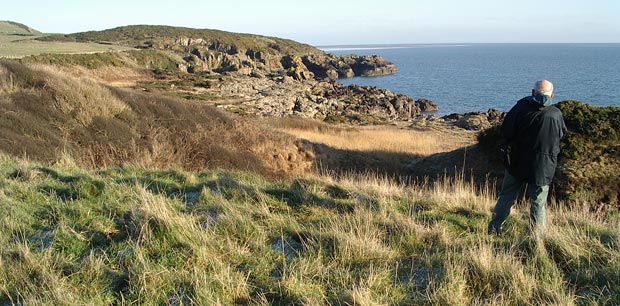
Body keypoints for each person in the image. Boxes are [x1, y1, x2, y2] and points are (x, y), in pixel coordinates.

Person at [488, 80, 567, 236]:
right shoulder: (556, 114)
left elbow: (506, 131)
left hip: (517, 162)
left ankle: (495, 228)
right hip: (543, 165)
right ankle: (537, 237)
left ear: (533, 93)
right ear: (552, 94)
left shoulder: (521, 108)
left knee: (507, 196)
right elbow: (561, 134)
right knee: (538, 202)